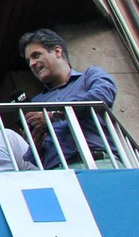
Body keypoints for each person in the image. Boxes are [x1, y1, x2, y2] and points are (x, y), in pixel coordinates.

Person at [15, 28, 118, 168]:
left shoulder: (89, 76)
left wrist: (55, 115)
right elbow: (36, 159)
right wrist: (35, 143)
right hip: (59, 174)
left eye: (36, 55)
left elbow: (102, 96)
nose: (31, 64)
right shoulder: (36, 103)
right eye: (29, 60)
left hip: (100, 163)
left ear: (57, 51)